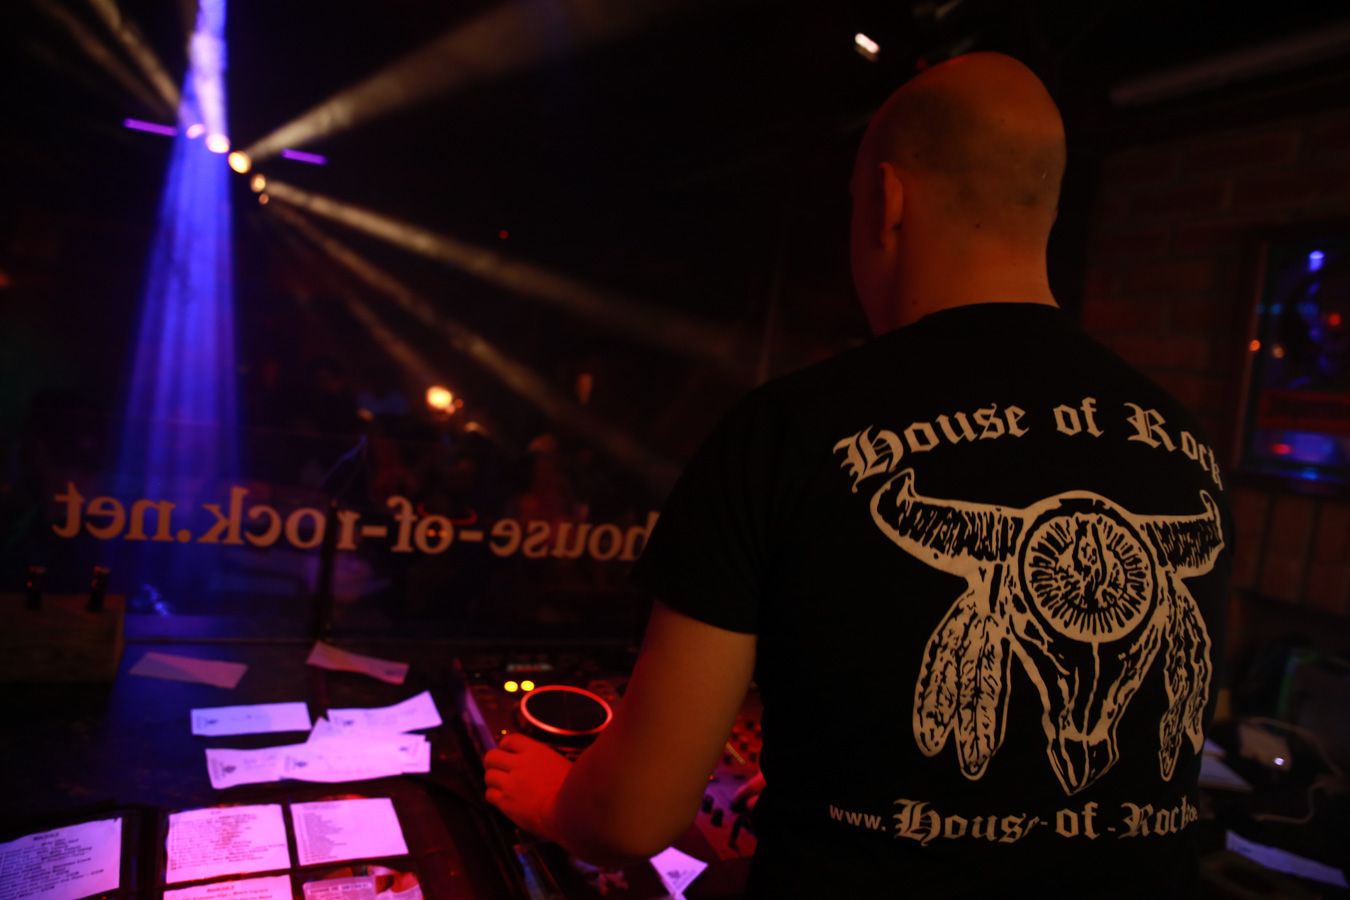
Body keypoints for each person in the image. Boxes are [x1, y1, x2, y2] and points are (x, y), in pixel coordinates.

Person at [484, 52, 1232, 897]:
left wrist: (553, 800)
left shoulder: (787, 429)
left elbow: (629, 822)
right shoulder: (1187, 443)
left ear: (887, 201)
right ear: (1046, 210)